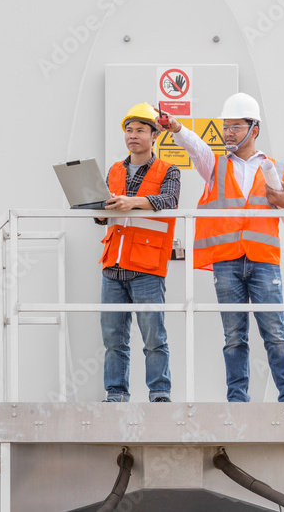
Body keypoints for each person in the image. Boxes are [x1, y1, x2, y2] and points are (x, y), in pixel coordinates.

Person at [165, 93, 284, 402]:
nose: (228, 132)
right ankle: (237, 400)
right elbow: (195, 146)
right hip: (227, 262)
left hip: (263, 261)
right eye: (225, 126)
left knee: (274, 332)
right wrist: (176, 127)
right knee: (233, 337)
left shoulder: (278, 169)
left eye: (235, 126)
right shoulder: (213, 165)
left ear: (253, 129)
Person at [96, 102, 180, 402]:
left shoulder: (168, 170)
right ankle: (115, 394)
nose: (133, 135)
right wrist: (97, 208)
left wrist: (133, 201)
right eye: (129, 130)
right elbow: (102, 217)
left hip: (146, 266)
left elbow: (170, 201)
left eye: (140, 130)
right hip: (113, 264)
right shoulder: (115, 170)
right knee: (113, 339)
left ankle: (160, 394)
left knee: (154, 337)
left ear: (154, 135)